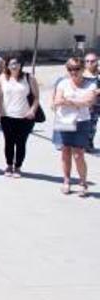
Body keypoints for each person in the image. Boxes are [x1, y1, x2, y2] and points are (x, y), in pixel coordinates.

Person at [53, 57, 94, 196]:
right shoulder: (63, 83)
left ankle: (83, 183)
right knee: (65, 152)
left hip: (82, 121)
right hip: (64, 120)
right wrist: (75, 102)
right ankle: (66, 181)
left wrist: (68, 101)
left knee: (78, 154)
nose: (73, 72)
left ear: (82, 69)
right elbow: (57, 101)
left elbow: (88, 102)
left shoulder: (90, 84)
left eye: (76, 68)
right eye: (70, 69)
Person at [0, 56, 39, 177]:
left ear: (21, 65)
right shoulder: (3, 77)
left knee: (21, 143)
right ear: (7, 66)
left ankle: (18, 167)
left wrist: (32, 110)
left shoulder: (28, 77)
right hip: (7, 116)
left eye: (16, 63)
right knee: (8, 142)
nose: (14, 66)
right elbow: (0, 95)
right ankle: (9, 165)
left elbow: (36, 97)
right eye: (11, 64)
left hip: (25, 117)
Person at [84, 52, 100, 151]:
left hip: (98, 103)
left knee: (92, 124)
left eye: (92, 61)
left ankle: (88, 142)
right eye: (88, 61)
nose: (90, 63)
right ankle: (87, 143)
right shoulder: (81, 74)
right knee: (88, 124)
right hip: (87, 103)